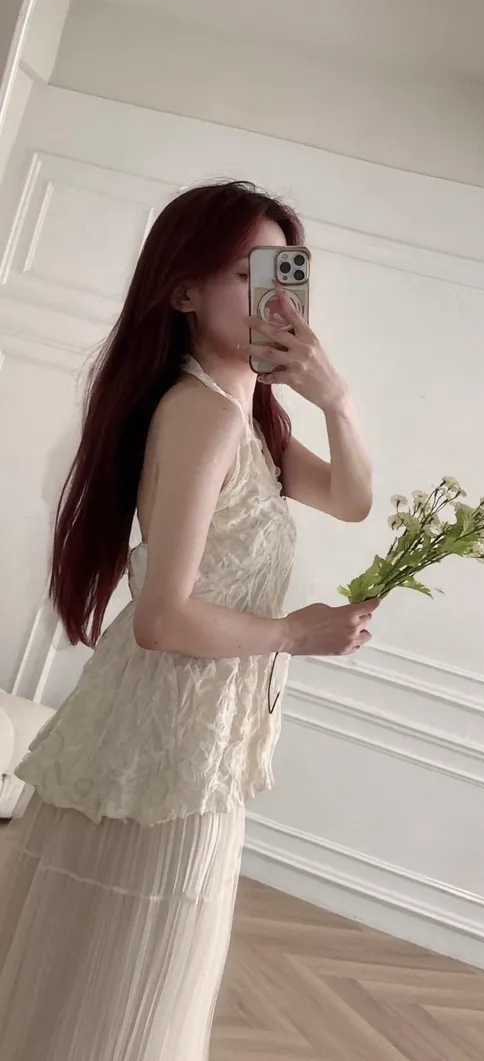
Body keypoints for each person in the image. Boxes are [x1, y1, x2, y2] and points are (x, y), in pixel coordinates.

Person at [0, 180, 378, 1061]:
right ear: (181, 291)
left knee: (111, 971)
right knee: (125, 975)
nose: (273, 296)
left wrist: (335, 397)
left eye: (282, 270)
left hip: (190, 734)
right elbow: (162, 619)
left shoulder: (247, 414)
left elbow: (353, 499)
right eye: (246, 273)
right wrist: (296, 633)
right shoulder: (203, 412)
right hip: (164, 742)